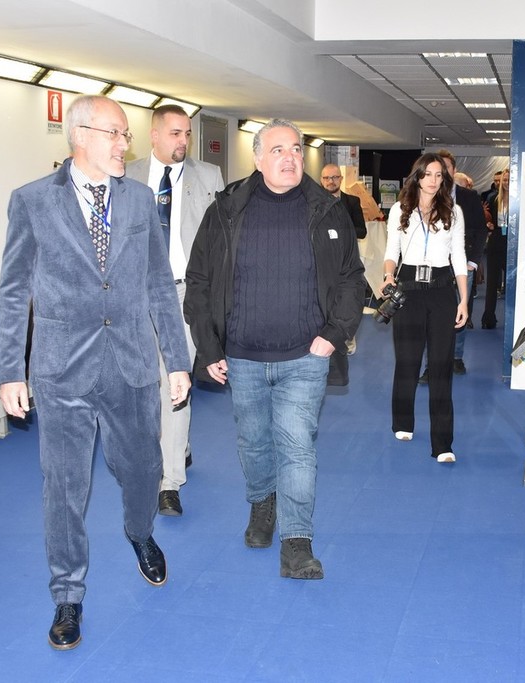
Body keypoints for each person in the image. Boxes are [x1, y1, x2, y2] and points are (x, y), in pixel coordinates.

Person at [0, 95, 191, 650]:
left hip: (130, 363)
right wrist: (10, 370)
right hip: (61, 369)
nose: (125, 144)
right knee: (64, 486)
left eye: (127, 135)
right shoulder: (32, 200)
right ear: (80, 134)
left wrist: (177, 360)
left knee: (143, 468)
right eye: (116, 134)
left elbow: (158, 284)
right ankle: (67, 594)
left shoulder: (139, 199)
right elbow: (14, 290)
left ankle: (140, 531)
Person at [184, 118, 364, 579]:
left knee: (297, 446)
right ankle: (262, 502)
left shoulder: (327, 210)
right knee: (254, 442)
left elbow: (351, 277)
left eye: (296, 149)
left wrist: (333, 333)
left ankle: (297, 542)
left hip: (305, 356)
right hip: (242, 357)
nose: (290, 158)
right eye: (279, 150)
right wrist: (209, 347)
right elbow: (199, 281)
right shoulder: (226, 210)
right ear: (259, 158)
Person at [126, 104, 225, 516]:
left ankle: (168, 482)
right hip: (136, 296)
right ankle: (177, 446)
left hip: (184, 294)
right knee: (145, 384)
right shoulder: (125, 175)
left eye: (187, 133)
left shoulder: (209, 176)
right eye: (175, 133)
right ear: (153, 135)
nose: (184, 141)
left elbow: (221, 240)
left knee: (175, 381)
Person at [382, 152, 468, 463]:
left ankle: (443, 443)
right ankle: (403, 421)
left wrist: (464, 299)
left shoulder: (453, 211)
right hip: (408, 288)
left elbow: (459, 256)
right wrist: (388, 275)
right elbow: (391, 251)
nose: (433, 180)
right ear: (417, 176)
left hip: (442, 290)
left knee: (441, 366)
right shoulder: (399, 209)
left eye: (439, 175)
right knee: (407, 361)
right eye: (428, 174)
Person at [418, 149, 487, 383]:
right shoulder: (426, 196)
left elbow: (481, 231)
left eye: (445, 168)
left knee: (460, 312)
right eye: (436, 169)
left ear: (453, 170)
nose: (441, 173)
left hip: (462, 265)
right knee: (432, 316)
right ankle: (431, 366)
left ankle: (456, 356)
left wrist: (473, 262)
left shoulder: (469, 197)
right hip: (433, 266)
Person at [320, 163, 368, 355]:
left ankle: (347, 341)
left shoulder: (352, 202)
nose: (330, 181)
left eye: (334, 177)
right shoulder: (314, 203)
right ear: (321, 180)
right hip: (323, 260)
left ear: (340, 179)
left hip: (346, 260)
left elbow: (362, 231)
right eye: (326, 178)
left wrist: (339, 232)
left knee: (346, 300)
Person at [482, 168, 509, 329]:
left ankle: (513, 317)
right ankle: (488, 318)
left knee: (512, 281)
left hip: (512, 243)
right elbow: (490, 221)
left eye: (509, 180)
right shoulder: (493, 199)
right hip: (496, 241)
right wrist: (489, 224)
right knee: (492, 283)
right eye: (504, 180)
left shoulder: (518, 200)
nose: (506, 183)